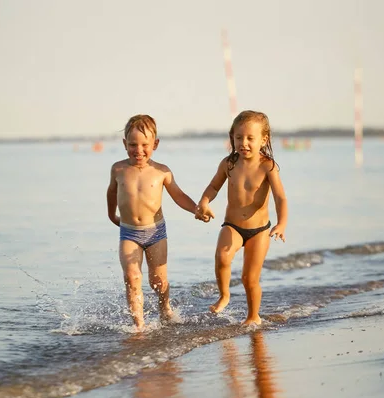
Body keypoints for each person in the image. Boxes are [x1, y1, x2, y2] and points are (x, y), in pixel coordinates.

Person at [107, 114, 204, 331]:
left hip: (155, 233)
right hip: (129, 232)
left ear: (155, 144)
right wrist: (111, 215)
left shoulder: (162, 171)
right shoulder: (118, 169)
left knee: (157, 281)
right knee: (132, 277)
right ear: (124, 144)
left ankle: (165, 308)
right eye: (132, 144)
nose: (138, 150)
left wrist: (196, 209)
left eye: (145, 145)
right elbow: (111, 192)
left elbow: (179, 196)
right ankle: (139, 325)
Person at [195, 110, 288, 325]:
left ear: (263, 139)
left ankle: (253, 316)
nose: (243, 143)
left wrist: (282, 223)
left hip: (259, 231)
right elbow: (213, 186)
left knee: (249, 278)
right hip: (233, 226)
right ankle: (224, 295)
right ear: (232, 137)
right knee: (222, 256)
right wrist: (204, 202)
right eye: (238, 138)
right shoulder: (228, 164)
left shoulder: (268, 166)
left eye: (250, 138)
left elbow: (280, 198)